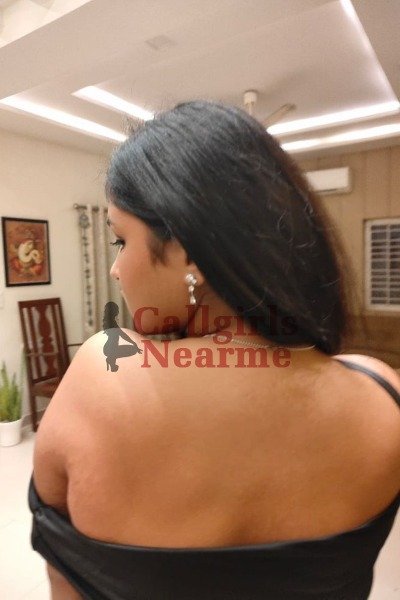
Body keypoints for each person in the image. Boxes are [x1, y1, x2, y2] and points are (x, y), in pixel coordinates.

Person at [28, 100, 400, 599]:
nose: (115, 269)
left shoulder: (105, 373)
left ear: (186, 252)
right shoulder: (382, 396)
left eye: (120, 241)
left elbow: (63, 578)